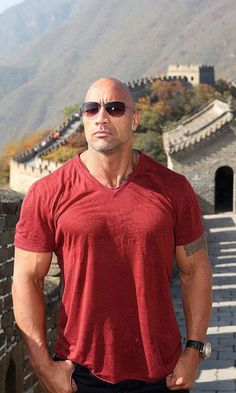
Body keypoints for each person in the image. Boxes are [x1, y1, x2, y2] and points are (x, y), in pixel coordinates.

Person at [12, 77, 212, 393]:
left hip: (162, 374)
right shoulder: (48, 193)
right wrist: (42, 364)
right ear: (83, 119)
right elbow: (26, 278)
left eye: (114, 108)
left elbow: (196, 270)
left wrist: (195, 351)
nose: (101, 117)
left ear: (134, 120)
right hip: (79, 373)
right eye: (91, 109)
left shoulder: (174, 190)